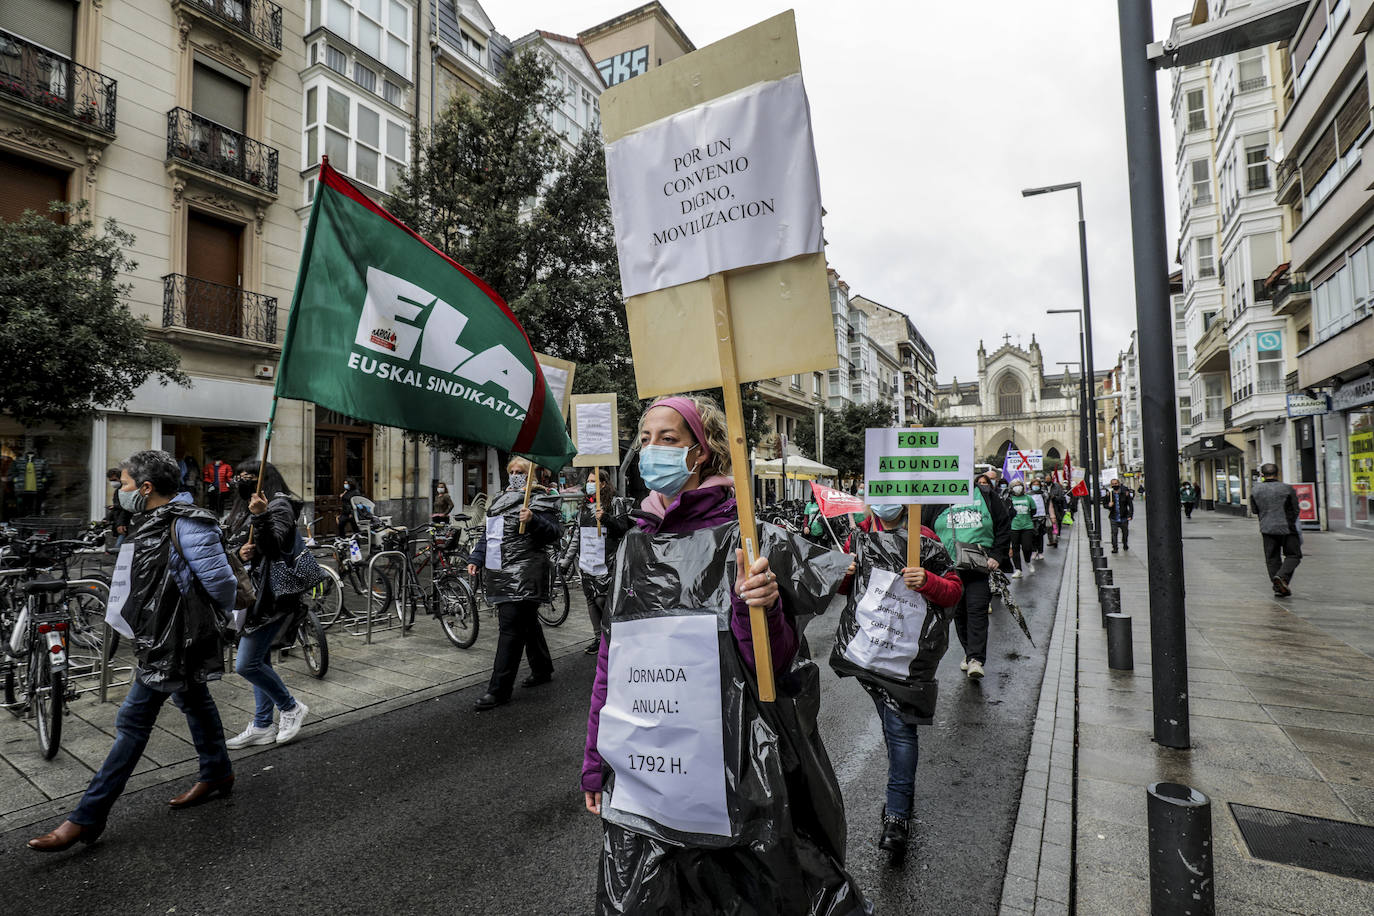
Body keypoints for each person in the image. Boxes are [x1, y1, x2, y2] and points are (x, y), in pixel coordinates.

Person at [581, 396, 867, 914]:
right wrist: (594, 760)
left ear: (703, 452)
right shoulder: (634, 548)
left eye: (668, 439)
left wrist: (756, 608)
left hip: (735, 778)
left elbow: (773, 671)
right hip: (651, 776)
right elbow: (612, 663)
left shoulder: (748, 539)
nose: (651, 451)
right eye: (645, 440)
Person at [28, 450, 236, 852]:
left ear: (145, 488)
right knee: (194, 701)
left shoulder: (188, 523)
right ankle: (218, 772)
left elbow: (222, 585)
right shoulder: (156, 520)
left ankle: (86, 817)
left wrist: (190, 618)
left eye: (123, 484)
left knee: (132, 721)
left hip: (173, 640)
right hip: (160, 636)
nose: (119, 492)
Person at [832, 502, 962, 858]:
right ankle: (900, 796)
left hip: (907, 659)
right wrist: (846, 572)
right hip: (869, 653)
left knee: (900, 729)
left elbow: (953, 591)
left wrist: (929, 581)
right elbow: (845, 589)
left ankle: (897, 815)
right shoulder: (858, 537)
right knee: (895, 728)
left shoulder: (926, 539)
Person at [224, 460, 311, 748]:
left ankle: (290, 707)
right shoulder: (247, 505)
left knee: (246, 664)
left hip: (272, 596)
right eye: (239, 476)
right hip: (253, 593)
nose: (242, 480)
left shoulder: (279, 505)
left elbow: (273, 547)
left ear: (266, 478)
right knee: (259, 661)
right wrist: (240, 552)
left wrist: (261, 516)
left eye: (249, 476)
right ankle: (262, 725)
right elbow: (242, 547)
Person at [467, 456, 560, 710]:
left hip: (525, 573)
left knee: (510, 627)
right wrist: (477, 556)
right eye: (513, 471)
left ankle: (499, 689)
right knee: (526, 622)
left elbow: (553, 533)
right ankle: (541, 668)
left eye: (522, 471)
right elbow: (490, 534)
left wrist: (533, 520)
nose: (516, 474)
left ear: (531, 475)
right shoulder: (498, 499)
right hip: (500, 570)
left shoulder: (539, 499)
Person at [933, 472, 1011, 680]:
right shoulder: (937, 498)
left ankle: (976, 659)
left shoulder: (986, 495)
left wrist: (996, 555)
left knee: (976, 609)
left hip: (978, 565)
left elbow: (1003, 525)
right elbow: (924, 529)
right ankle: (969, 653)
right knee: (959, 613)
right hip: (949, 567)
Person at [559, 468, 632, 655]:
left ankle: (611, 634)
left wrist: (606, 518)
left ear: (604, 484)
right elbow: (577, 535)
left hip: (607, 563)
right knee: (591, 600)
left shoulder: (615, 504)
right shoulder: (584, 507)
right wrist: (566, 561)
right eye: (588, 481)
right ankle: (598, 637)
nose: (589, 484)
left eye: (594, 481)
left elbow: (623, 529)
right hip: (587, 562)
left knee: (602, 599)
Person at [1250, 463, 1302, 596]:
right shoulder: (1287, 488)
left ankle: (1278, 585)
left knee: (1272, 557)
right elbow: (1295, 509)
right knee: (1294, 555)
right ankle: (1282, 577)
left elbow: (1255, 510)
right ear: (1278, 473)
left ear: (1262, 475)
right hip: (1287, 527)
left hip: (1266, 528)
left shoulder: (1255, 490)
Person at [1008, 481, 1036, 578]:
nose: (1017, 487)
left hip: (1027, 526)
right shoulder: (1009, 499)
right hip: (1014, 527)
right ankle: (1018, 569)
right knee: (1015, 549)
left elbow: (1033, 510)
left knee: (1027, 547)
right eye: (1015, 486)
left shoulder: (1028, 498)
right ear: (1011, 488)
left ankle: (1028, 561)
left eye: (1019, 485)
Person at [1103, 478, 1134, 553]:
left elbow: (1130, 505)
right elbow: (1104, 505)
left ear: (1119, 484)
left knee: (1125, 533)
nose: (1114, 485)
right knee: (1114, 533)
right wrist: (1109, 505)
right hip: (1113, 517)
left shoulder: (1125, 493)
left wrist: (1130, 515)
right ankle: (1115, 547)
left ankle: (1125, 544)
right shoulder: (1109, 495)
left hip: (1124, 517)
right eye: (1113, 484)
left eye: (1116, 483)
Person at [104, 467, 132, 547]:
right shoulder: (118, 491)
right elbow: (117, 509)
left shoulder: (126, 490)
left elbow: (126, 508)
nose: (112, 483)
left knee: (118, 548)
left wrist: (121, 524)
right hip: (121, 524)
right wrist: (107, 519)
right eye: (111, 481)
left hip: (126, 525)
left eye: (114, 480)